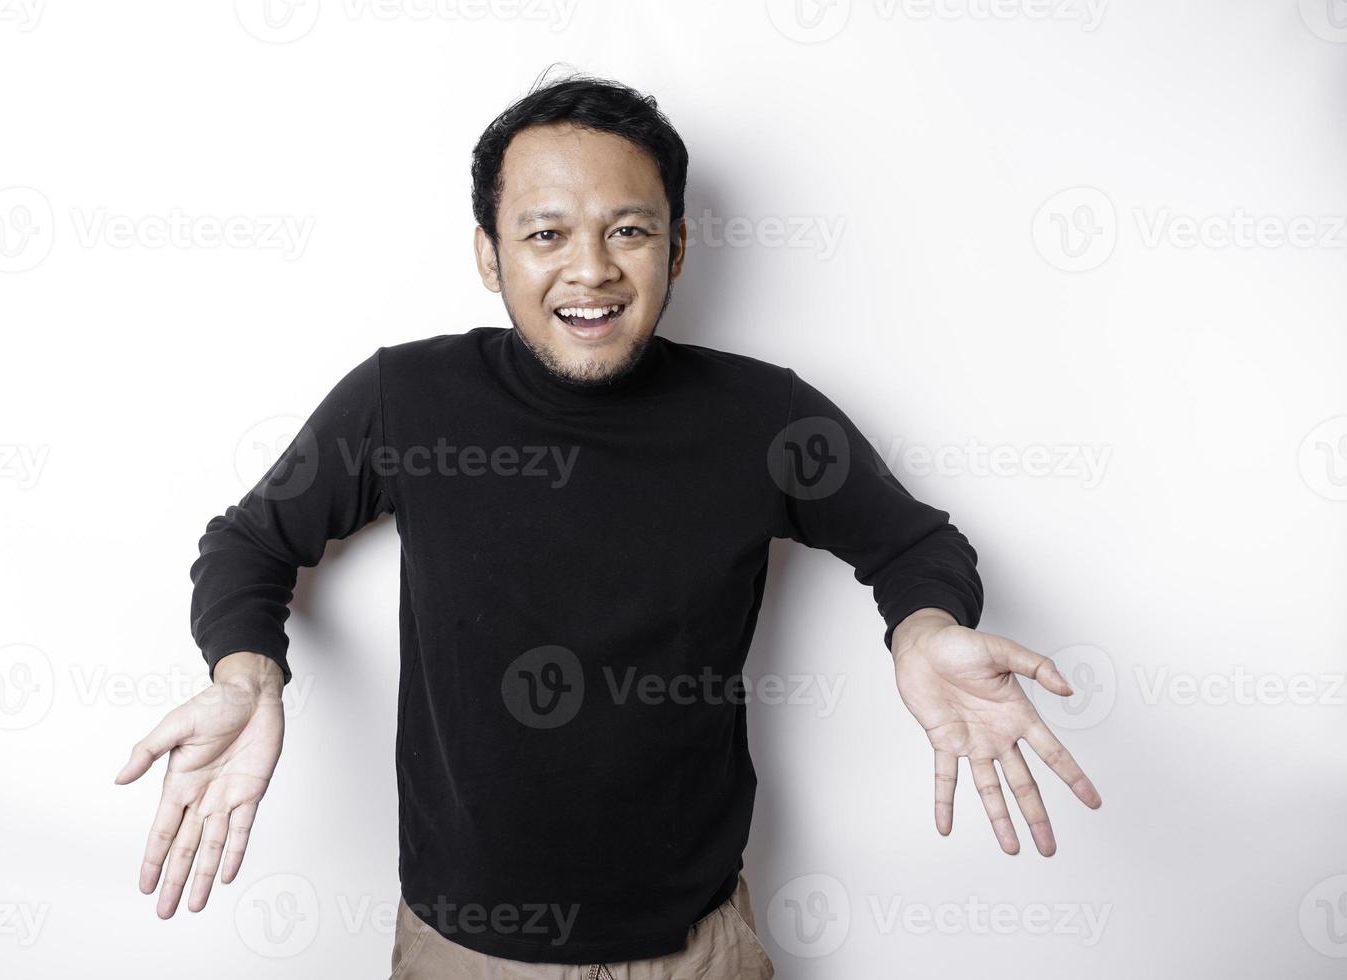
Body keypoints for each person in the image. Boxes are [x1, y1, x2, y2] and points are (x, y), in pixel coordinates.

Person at [114, 70, 1102, 978]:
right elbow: (249, 541)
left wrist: (924, 625)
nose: (590, 268)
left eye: (627, 230)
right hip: (464, 947)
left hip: (697, 943)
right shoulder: (405, 401)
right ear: (487, 253)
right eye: (546, 233)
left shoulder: (764, 416)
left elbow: (913, 542)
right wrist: (245, 670)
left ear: (675, 246)